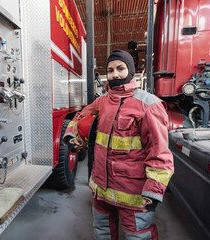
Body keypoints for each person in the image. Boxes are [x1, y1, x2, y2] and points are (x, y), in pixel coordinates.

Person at [63, 49, 174, 240]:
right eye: (110, 70)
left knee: (138, 236)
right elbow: (80, 116)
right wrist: (73, 136)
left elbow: (159, 153)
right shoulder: (103, 102)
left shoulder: (149, 105)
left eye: (121, 68)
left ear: (130, 71)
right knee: (102, 232)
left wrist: (154, 191)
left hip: (133, 194)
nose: (115, 74)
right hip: (101, 190)